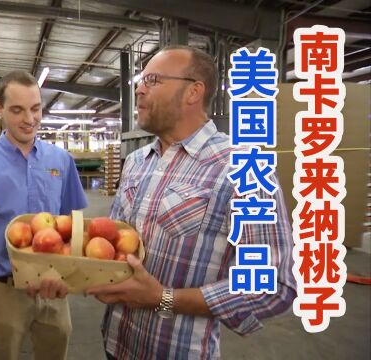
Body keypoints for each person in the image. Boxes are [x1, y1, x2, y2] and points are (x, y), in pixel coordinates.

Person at [87, 46, 296, 359]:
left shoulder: (242, 169)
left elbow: (273, 285)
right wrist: (70, 274)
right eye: (140, 81)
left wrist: (164, 298)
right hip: (117, 343)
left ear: (193, 92)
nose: (140, 89)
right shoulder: (135, 162)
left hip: (177, 350)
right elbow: (114, 249)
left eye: (153, 80)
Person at [0, 70, 88, 360]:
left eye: (36, 109)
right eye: (17, 110)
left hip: (53, 288)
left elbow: (74, 226)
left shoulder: (60, 161)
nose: (29, 119)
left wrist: (70, 277)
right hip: (4, 291)